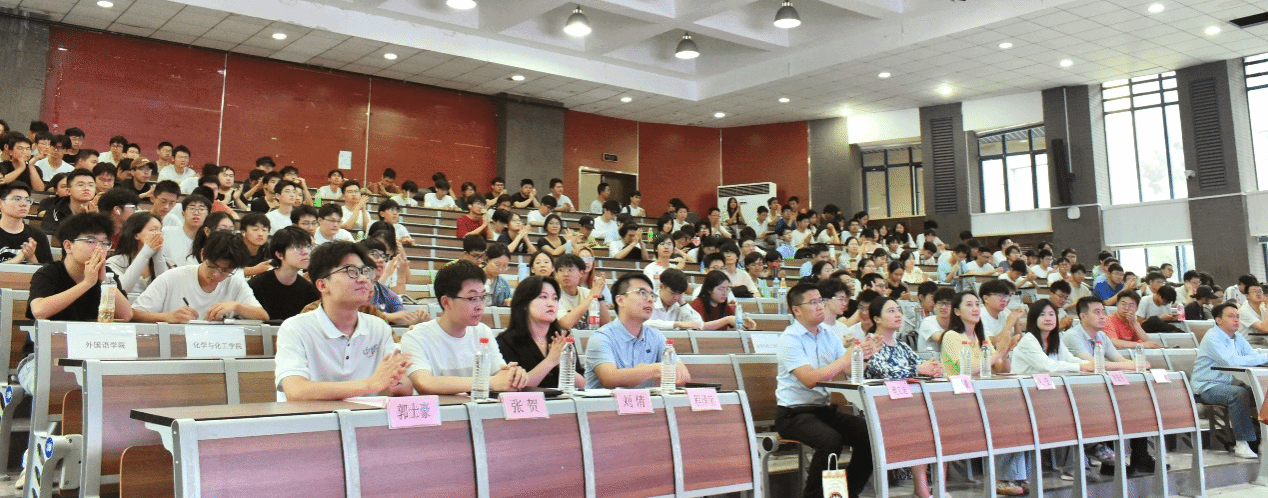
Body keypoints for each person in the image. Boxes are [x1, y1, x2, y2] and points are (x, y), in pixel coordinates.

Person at [273, 241, 413, 401]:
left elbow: (402, 388)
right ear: (322, 285)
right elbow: (296, 391)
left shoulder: (378, 327)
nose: (363, 279)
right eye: (351, 271)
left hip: (364, 416)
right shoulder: (295, 328)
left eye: (365, 271)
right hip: (312, 417)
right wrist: (370, 384)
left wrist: (396, 381)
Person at [773, 282, 873, 498]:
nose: (820, 306)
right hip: (792, 414)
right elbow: (809, 379)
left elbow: (848, 369)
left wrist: (864, 355)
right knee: (830, 440)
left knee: (870, 434)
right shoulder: (789, 339)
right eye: (813, 302)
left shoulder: (828, 334)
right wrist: (847, 357)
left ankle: (848, 493)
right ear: (797, 310)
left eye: (821, 301)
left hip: (822, 411)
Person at [402, 260, 529, 394]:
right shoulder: (416, 337)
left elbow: (499, 374)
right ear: (446, 302)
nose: (480, 306)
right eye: (472, 298)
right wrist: (488, 382)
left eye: (482, 297)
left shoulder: (483, 331)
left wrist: (513, 375)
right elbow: (424, 382)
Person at [864, 296, 945, 498]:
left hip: (906, 406)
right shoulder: (870, 343)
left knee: (934, 424)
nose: (898, 314)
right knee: (921, 425)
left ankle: (932, 488)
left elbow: (920, 366)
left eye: (899, 310)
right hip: (881, 408)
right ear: (877, 318)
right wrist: (920, 369)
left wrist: (934, 368)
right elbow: (884, 372)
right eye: (891, 311)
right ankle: (923, 490)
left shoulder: (901, 345)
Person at [584, 272, 692, 389]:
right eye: (642, 293)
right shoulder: (601, 337)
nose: (650, 299)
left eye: (652, 295)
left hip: (645, 401)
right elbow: (609, 378)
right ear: (620, 300)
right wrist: (654, 370)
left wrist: (658, 372)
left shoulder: (656, 336)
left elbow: (683, 376)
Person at [132, 231, 269, 322]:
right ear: (202, 255)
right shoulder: (172, 277)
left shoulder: (235, 283)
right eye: (213, 266)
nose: (216, 274)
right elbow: (134, 314)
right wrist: (167, 317)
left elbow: (263, 315)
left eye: (225, 270)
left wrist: (237, 306)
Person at [1192, 302, 1268, 460]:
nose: (1236, 320)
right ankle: (1242, 443)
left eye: (1238, 316)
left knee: (1262, 393)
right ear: (1218, 320)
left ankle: (1263, 441)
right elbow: (1232, 362)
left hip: (1228, 384)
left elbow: (1252, 356)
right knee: (1238, 394)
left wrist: (1261, 358)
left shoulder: (1237, 337)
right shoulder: (1213, 337)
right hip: (1207, 386)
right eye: (1231, 316)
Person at [496, 276, 587, 390]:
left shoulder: (561, 339)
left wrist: (563, 364)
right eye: (543, 297)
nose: (551, 304)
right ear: (524, 304)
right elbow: (515, 386)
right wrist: (550, 361)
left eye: (555, 298)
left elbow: (583, 384)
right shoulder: (506, 341)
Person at [249, 226, 321, 322]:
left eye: (308, 247)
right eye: (297, 247)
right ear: (279, 254)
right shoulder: (256, 285)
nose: (306, 252)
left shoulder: (310, 290)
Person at [940, 291, 1018, 376]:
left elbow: (1002, 371)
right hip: (958, 384)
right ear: (957, 311)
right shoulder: (951, 336)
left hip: (981, 383)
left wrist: (1004, 354)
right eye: (969, 305)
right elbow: (969, 371)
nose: (975, 309)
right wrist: (998, 353)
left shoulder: (982, 337)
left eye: (977, 305)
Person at [361, 237, 427, 326]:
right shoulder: (352, 287)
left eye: (383, 256)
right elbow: (353, 314)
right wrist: (387, 317)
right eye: (375, 255)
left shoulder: (387, 293)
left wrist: (418, 317)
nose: (381, 260)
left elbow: (401, 314)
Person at [106, 212, 170, 294]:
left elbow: (166, 290)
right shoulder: (115, 262)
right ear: (136, 235)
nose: (159, 235)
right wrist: (146, 252)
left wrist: (158, 253)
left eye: (160, 231)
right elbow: (122, 290)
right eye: (154, 230)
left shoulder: (167, 262)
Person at [553, 253, 610, 329]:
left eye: (570, 270)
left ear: (581, 273)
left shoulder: (586, 293)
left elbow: (606, 324)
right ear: (556, 274)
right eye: (561, 270)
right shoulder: (553, 295)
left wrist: (599, 296)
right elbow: (566, 324)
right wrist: (592, 296)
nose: (565, 274)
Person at [0, 182, 52, 264]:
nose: (24, 204)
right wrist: (20, 257)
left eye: (27, 200)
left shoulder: (38, 236)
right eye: (17, 199)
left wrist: (31, 257)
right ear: (1, 203)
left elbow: (47, 270)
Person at [689, 270, 755, 330]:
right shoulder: (698, 304)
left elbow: (737, 322)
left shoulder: (725, 306)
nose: (725, 293)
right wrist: (727, 320)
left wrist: (746, 323)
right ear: (709, 289)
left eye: (727, 289)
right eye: (721, 289)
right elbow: (699, 326)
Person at [160, 194, 210, 268]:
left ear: (208, 215)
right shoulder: (166, 232)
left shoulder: (209, 240)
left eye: (201, 209)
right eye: (192, 208)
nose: (196, 213)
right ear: (183, 214)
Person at [917, 287, 955, 354]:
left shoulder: (956, 322)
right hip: (928, 359)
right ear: (935, 305)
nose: (943, 307)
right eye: (939, 303)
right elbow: (942, 339)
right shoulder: (928, 322)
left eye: (948, 304)